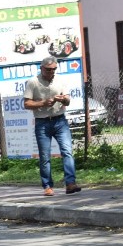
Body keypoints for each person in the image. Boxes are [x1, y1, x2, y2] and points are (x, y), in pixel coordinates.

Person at [23, 56, 82, 196]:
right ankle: (47, 186)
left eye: (54, 69)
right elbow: (26, 104)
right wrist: (43, 103)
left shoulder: (60, 80)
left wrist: (64, 99)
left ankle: (70, 183)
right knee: (45, 155)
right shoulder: (33, 82)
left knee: (67, 151)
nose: (51, 72)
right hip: (42, 122)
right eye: (49, 69)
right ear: (41, 68)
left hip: (60, 121)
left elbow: (67, 100)